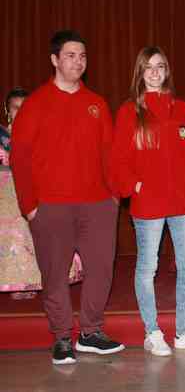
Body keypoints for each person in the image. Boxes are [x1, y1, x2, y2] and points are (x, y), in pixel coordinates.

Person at [10, 30, 124, 364]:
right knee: (55, 275)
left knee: (101, 270)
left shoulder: (96, 103)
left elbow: (109, 154)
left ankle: (91, 332)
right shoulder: (35, 104)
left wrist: (114, 197)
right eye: (71, 55)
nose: (78, 61)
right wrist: (30, 207)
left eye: (83, 56)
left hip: (98, 204)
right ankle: (62, 337)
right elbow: (20, 158)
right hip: (51, 206)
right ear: (55, 60)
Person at [111, 46, 185, 356]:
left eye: (160, 66)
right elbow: (117, 158)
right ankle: (152, 332)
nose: (155, 72)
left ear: (167, 71)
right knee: (148, 268)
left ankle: (184, 332)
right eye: (149, 67)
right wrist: (135, 186)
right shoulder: (129, 111)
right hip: (149, 204)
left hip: (183, 203)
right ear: (140, 73)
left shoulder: (182, 109)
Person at [1, 88, 82, 300]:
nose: (21, 111)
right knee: (14, 234)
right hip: (5, 195)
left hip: (33, 191)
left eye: (25, 107)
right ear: (7, 110)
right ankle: (17, 283)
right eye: (16, 107)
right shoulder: (1, 136)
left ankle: (41, 279)